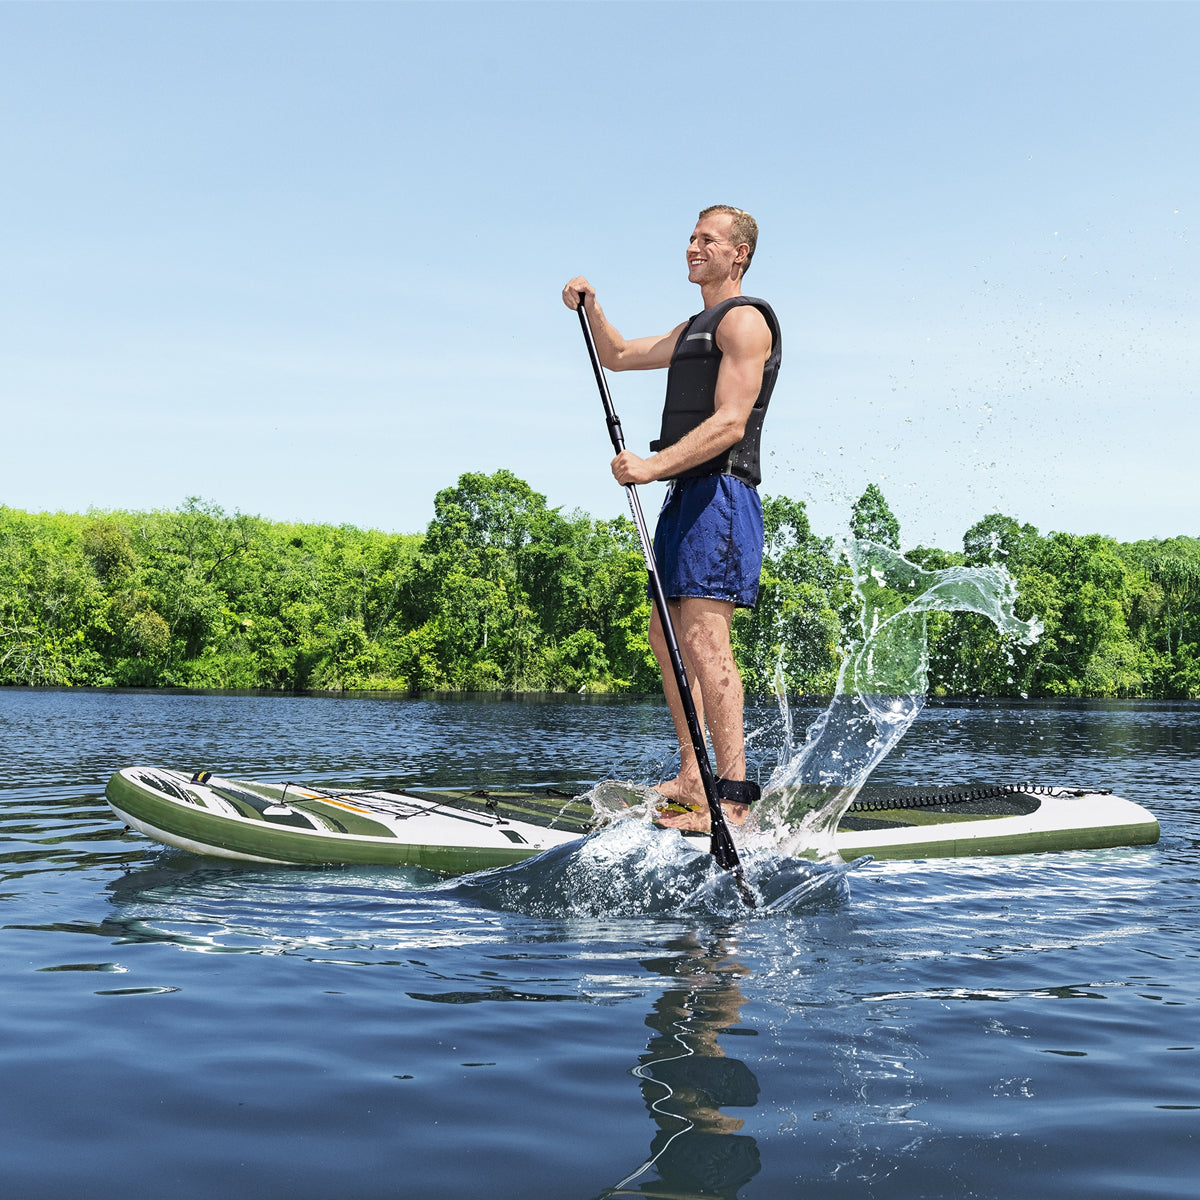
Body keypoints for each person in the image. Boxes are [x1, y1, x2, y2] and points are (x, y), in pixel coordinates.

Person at [562, 205, 781, 832]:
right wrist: (591, 307)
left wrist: (651, 466)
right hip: (685, 495)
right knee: (666, 635)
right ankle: (692, 776)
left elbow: (730, 423)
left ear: (738, 254)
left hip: (722, 496)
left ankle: (732, 799)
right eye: (690, 237)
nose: (693, 247)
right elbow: (619, 355)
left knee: (706, 642)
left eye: (707, 239)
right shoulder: (694, 326)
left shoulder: (745, 323)